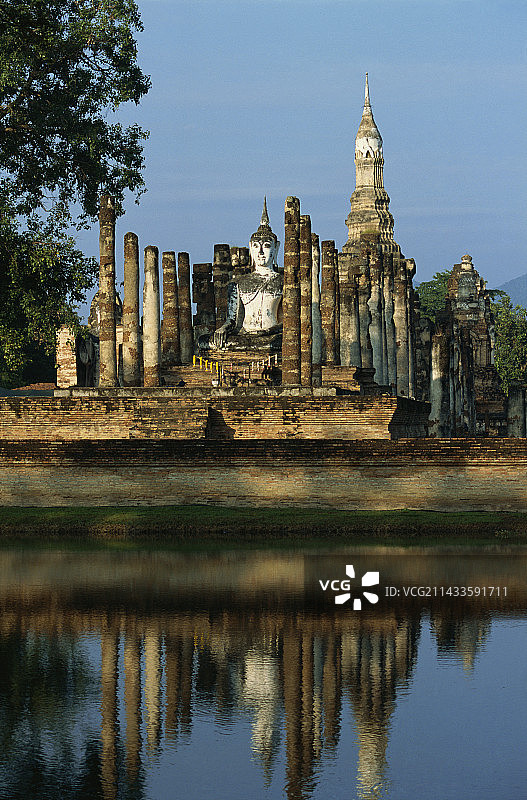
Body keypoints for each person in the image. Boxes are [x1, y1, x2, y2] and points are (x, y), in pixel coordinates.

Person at [213, 199, 283, 350]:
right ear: (251, 249)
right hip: (244, 336)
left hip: (270, 336)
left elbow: (287, 321)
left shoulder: (282, 281)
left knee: (280, 343)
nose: (261, 252)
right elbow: (232, 320)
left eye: (267, 246)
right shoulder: (238, 283)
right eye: (256, 247)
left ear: (276, 249)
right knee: (206, 341)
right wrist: (223, 329)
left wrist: (268, 331)